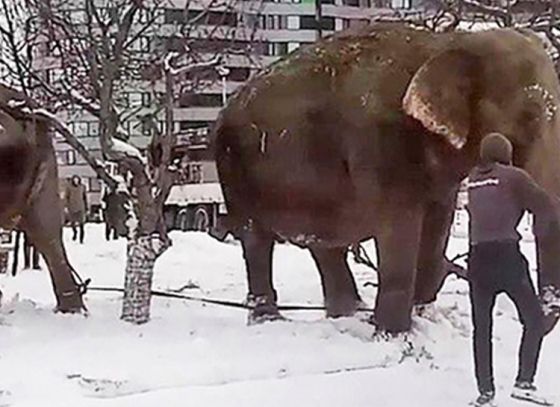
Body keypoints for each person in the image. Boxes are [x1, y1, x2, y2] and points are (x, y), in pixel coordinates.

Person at [466, 133, 557, 407]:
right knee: (533, 320)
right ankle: (524, 383)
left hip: (477, 260)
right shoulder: (514, 177)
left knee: (481, 328)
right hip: (506, 257)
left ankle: (485, 392)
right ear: (506, 153)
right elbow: (547, 205)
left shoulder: (473, 179)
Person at [65, 175, 88, 244]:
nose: (76, 181)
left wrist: (86, 207)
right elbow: (67, 197)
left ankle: (81, 239)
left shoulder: (82, 187)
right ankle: (75, 233)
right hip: (72, 207)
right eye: (75, 180)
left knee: (82, 224)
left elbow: (85, 197)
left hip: (80, 207)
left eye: (77, 180)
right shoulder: (69, 187)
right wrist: (66, 206)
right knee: (73, 223)